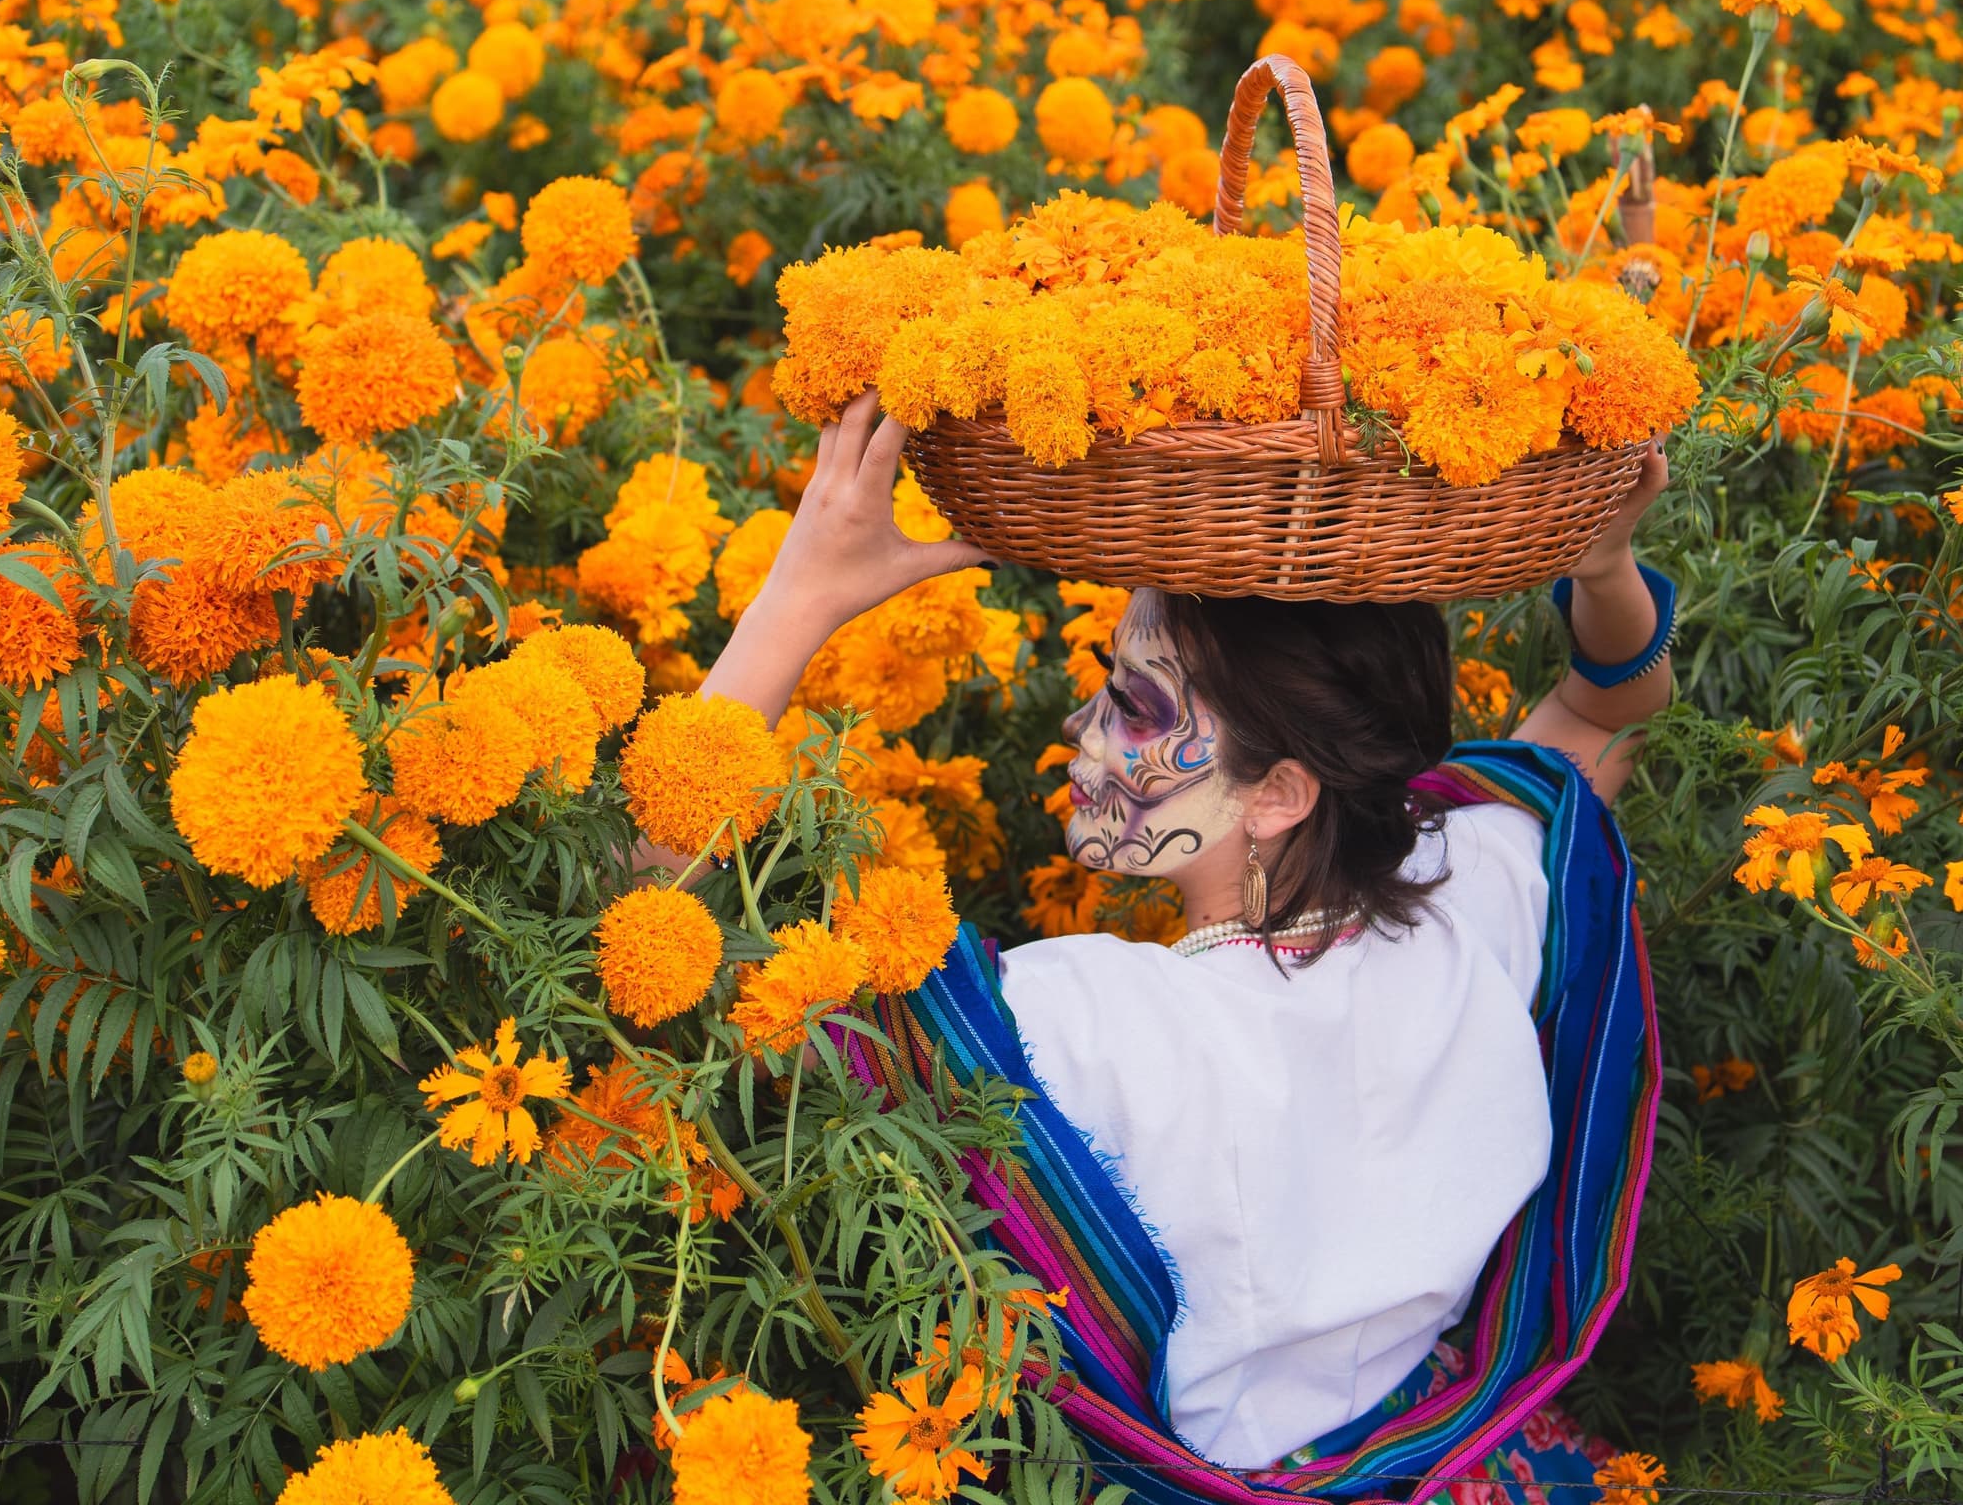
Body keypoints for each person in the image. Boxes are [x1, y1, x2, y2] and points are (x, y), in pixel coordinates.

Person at [692, 389, 1673, 1473]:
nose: (1080, 727)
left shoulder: (1080, 1028)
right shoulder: (1475, 891)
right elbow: (1609, 705)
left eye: (1130, 704)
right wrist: (1605, 565)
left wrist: (802, 594)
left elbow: (668, 935)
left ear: (1279, 793)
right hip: (1461, 1460)